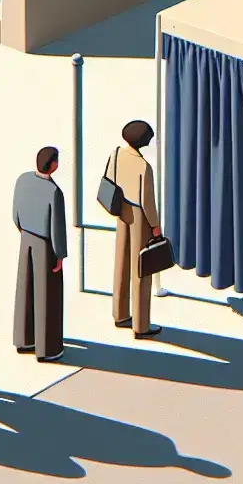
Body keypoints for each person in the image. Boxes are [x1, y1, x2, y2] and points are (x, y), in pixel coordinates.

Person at [108, 121, 162, 339]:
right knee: (142, 269)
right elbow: (147, 202)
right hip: (139, 215)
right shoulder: (143, 166)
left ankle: (120, 314)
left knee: (121, 263)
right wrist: (155, 226)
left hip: (122, 209)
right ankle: (141, 325)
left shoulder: (116, 154)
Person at [12, 146, 67, 360]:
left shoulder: (22, 180)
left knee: (25, 290)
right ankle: (48, 348)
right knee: (47, 296)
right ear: (53, 164)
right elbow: (57, 228)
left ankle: (25, 339)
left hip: (26, 237)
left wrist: (25, 231)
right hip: (46, 245)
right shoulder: (54, 191)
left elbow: (15, 213)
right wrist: (59, 254)